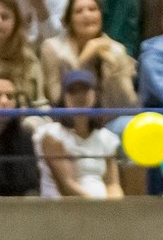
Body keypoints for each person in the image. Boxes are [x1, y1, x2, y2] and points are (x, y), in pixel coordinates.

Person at [40, 0, 137, 109]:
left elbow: (129, 103)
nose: (87, 15)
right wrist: (83, 60)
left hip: (107, 120)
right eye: (78, 11)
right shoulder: (52, 48)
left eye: (92, 9)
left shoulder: (117, 50)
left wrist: (116, 70)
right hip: (65, 121)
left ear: (101, 15)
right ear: (69, 19)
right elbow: (56, 99)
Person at [36, 70, 124, 200]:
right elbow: (67, 186)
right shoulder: (51, 135)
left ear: (95, 94)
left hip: (102, 211)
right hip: (64, 210)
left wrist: (115, 206)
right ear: (64, 98)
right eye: (73, 91)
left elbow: (112, 183)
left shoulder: (106, 137)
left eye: (85, 90)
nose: (79, 96)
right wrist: (98, 209)